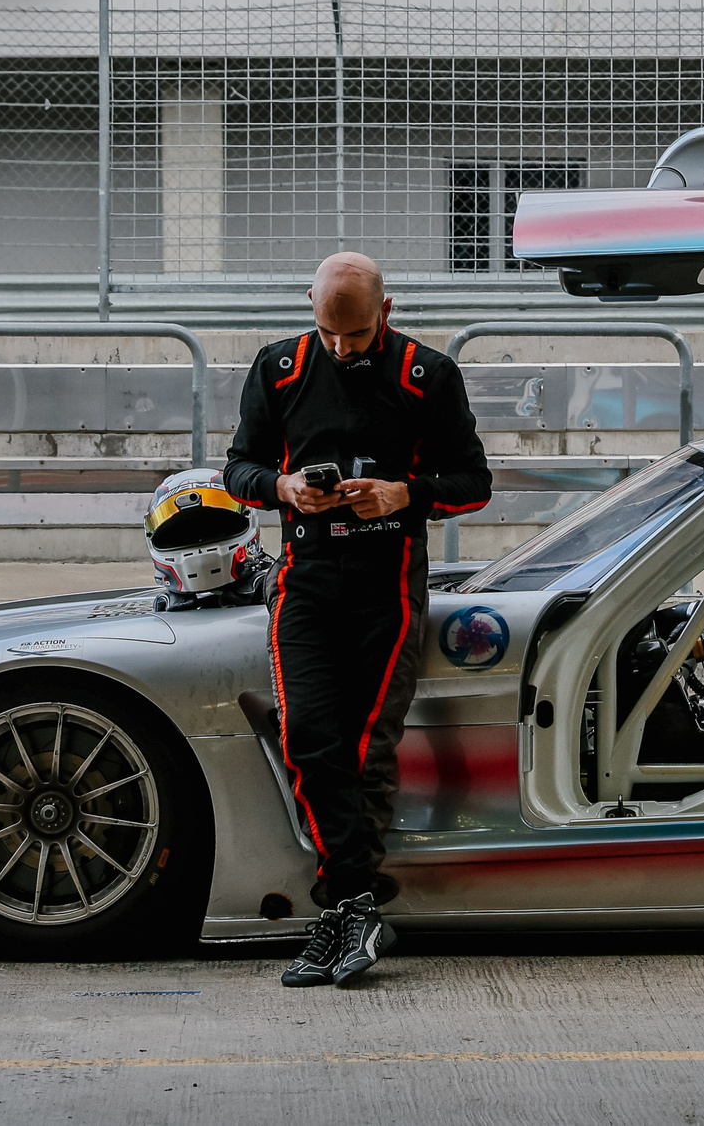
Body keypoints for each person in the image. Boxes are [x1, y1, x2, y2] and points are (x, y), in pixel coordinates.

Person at [223, 252, 490, 988]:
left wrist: (403, 494)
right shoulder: (277, 369)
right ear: (309, 304)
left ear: (388, 309)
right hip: (304, 580)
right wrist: (282, 488)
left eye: (359, 334)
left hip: (389, 586)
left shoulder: (426, 374)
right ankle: (356, 906)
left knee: (368, 746)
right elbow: (236, 471)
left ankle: (343, 910)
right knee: (308, 734)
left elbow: (475, 484)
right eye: (329, 333)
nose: (343, 349)